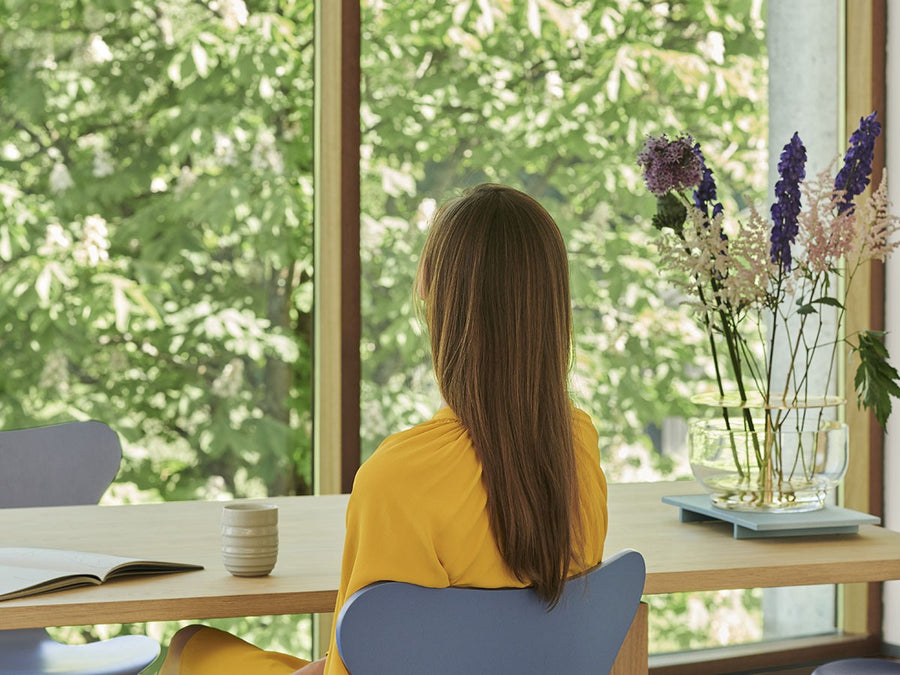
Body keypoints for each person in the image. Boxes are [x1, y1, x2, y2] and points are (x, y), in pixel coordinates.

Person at [160, 183, 609, 675]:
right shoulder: (577, 446)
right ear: (554, 307)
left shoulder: (398, 478)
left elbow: (361, 660)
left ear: (435, 301)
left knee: (189, 647)